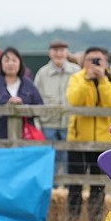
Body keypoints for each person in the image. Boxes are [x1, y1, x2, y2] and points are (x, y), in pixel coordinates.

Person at [67, 47, 111, 218]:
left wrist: (102, 80)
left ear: (106, 62)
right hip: (79, 139)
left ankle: (95, 217)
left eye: (99, 60)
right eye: (91, 60)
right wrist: (87, 80)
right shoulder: (77, 78)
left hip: (104, 140)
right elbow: (74, 100)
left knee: (99, 184)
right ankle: (72, 217)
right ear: (84, 62)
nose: (95, 64)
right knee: (75, 182)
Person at [34, 39, 80, 172]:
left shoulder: (76, 71)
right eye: (55, 50)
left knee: (69, 158)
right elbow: (37, 99)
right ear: (50, 53)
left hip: (70, 123)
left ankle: (66, 189)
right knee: (50, 158)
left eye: (61, 50)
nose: (58, 54)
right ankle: (51, 188)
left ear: (66, 52)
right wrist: (38, 123)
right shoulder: (42, 74)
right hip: (48, 123)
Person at [0, 47, 44, 139]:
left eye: (14, 60)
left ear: (20, 63)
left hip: (25, 138)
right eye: (6, 60)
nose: (10, 64)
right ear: (1, 64)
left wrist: (23, 107)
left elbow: (40, 107)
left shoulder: (29, 85)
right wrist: (4, 109)